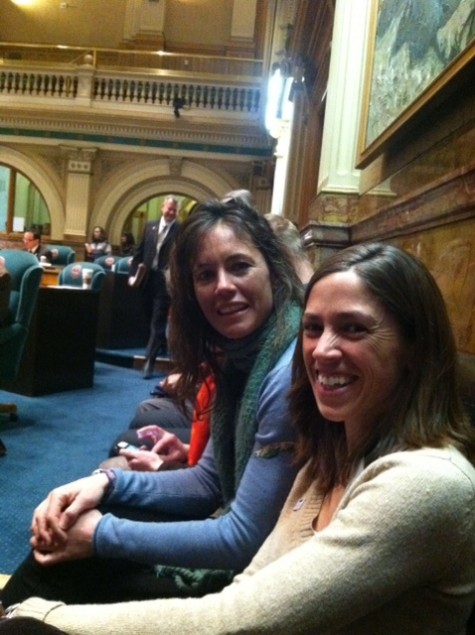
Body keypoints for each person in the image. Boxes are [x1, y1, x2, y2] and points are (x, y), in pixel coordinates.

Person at [4, 242, 475, 634]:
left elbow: (239, 615)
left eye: (353, 328)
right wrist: (107, 485)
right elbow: (245, 570)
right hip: (241, 607)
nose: (323, 351)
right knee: (70, 558)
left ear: (414, 349)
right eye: (314, 328)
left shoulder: (425, 483)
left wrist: (48, 618)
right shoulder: (327, 455)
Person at [1, 198, 303, 608]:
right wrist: (103, 483)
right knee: (88, 517)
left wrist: (100, 536)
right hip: (237, 539)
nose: (224, 286)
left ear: (272, 269)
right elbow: (209, 481)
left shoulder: (286, 369)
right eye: (205, 275)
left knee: (72, 568)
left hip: (262, 576)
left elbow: (243, 538)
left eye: (239, 266)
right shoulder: (241, 359)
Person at [129, 196, 181, 377]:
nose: (171, 212)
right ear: (162, 208)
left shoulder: (180, 230)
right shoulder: (149, 226)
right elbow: (138, 252)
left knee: (158, 318)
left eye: (175, 210)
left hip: (165, 281)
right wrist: (132, 275)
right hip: (146, 278)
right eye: (169, 208)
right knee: (148, 314)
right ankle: (162, 343)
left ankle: (149, 361)